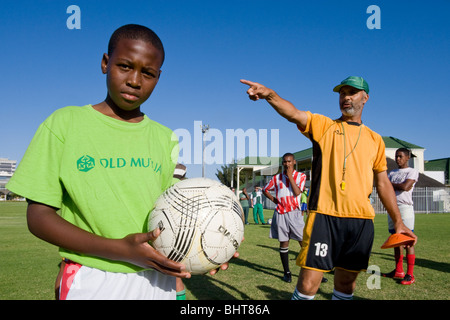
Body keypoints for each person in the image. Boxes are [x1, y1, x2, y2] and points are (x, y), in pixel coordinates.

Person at [6, 24, 234, 300]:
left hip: (156, 279)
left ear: (158, 78)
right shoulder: (64, 124)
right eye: (125, 66)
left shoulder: (165, 138)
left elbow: (172, 215)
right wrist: (120, 249)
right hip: (92, 276)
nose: (135, 80)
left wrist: (211, 243)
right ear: (105, 63)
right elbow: (39, 218)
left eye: (147, 73)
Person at [241, 76, 417, 300]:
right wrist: (270, 95)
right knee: (308, 283)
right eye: (342, 93)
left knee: (346, 284)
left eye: (352, 92)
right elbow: (293, 113)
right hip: (324, 217)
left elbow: (382, 183)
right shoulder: (324, 126)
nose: (346, 97)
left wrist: (399, 222)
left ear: (365, 98)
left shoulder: (375, 140)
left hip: (360, 221)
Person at [263, 153, 306, 283]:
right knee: (284, 242)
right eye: (284, 162)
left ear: (294, 162)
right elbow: (265, 189)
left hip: (295, 212)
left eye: (289, 161)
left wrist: (289, 177)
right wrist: (274, 200)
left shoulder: (301, 176)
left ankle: (312, 271)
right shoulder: (276, 178)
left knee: (304, 243)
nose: (287, 164)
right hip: (281, 213)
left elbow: (297, 192)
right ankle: (286, 272)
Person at [382, 148, 419, 285]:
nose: (398, 159)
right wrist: (391, 186)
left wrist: (390, 185)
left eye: (400, 156)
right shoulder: (392, 172)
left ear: (408, 157)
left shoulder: (412, 171)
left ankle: (410, 274)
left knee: (408, 240)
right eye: (396, 156)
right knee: (395, 239)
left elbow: (405, 186)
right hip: (392, 208)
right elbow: (385, 188)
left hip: (405, 208)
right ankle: (399, 270)